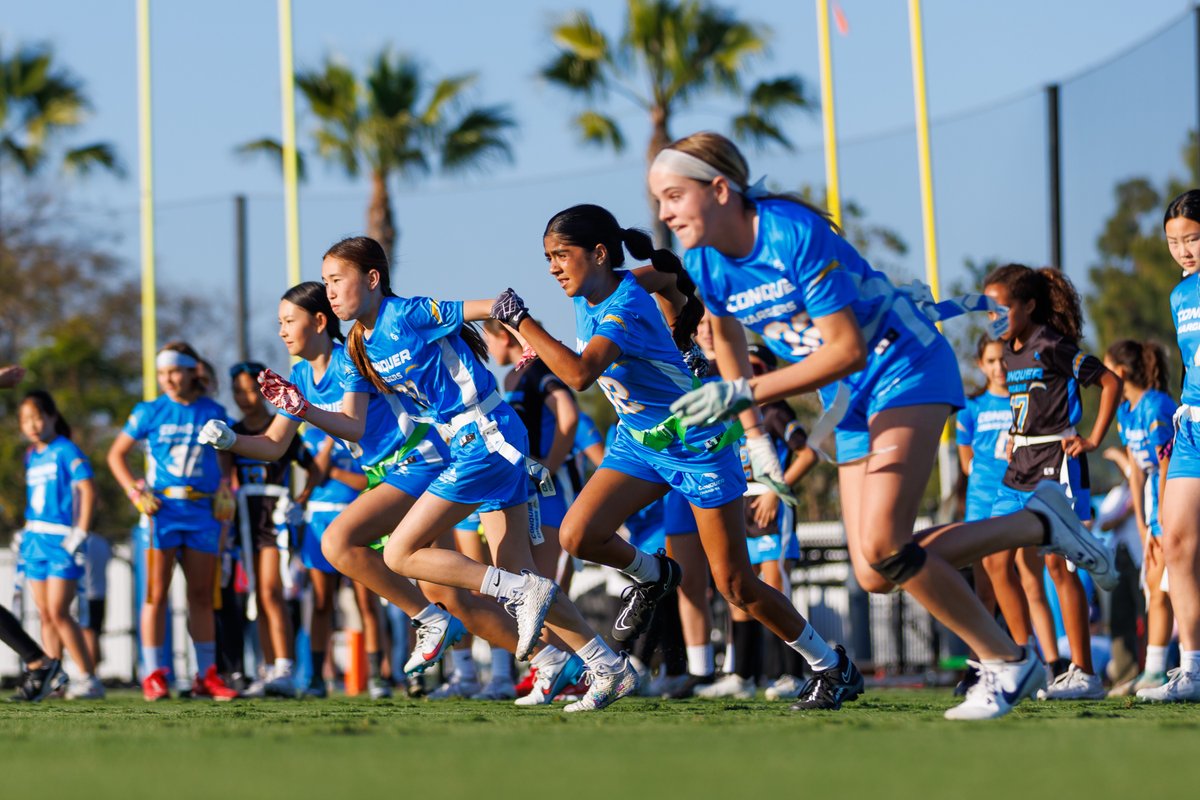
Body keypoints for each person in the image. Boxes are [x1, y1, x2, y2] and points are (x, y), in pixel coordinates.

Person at [648, 132, 1117, 719]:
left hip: (906, 366)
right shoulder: (703, 262)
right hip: (848, 399)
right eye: (659, 199)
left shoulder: (791, 231)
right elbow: (729, 337)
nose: (664, 213)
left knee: (885, 544)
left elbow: (844, 348)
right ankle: (1039, 521)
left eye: (672, 196)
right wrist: (757, 441)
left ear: (719, 189)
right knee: (874, 571)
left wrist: (744, 391)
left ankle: (1007, 661)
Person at [491, 203, 864, 711]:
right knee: (578, 535)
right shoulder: (598, 285)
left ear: (598, 254)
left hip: (698, 446)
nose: (553, 268)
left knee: (736, 584)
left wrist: (523, 323)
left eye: (561, 256)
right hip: (640, 443)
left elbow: (578, 376)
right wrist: (681, 329)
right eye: (547, 258)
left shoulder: (622, 302)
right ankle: (653, 575)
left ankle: (832, 665)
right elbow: (669, 272)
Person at [203, 277, 601, 708]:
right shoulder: (301, 374)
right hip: (396, 471)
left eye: (288, 320)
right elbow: (274, 445)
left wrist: (307, 411)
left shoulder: (352, 357)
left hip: (420, 460)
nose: (280, 330)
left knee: (340, 541)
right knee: (457, 598)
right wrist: (230, 441)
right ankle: (565, 660)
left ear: (319, 322)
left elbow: (352, 425)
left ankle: (434, 623)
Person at [981, 265, 1122, 701]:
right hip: (1017, 465)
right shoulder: (1008, 350)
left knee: (1058, 569)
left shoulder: (1052, 345)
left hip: (1056, 466)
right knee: (997, 561)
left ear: (1028, 306)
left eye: (1002, 308)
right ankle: (1022, 662)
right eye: (988, 311)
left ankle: (1085, 673)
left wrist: (1093, 439)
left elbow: (1109, 381)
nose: (994, 318)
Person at [107, 342, 240, 701]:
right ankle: (153, 674)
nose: (168, 379)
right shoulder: (149, 411)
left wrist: (227, 490)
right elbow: (116, 454)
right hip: (161, 511)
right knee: (155, 595)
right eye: (162, 373)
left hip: (202, 512)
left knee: (201, 595)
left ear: (191, 371)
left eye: (174, 372)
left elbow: (226, 456)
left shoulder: (212, 410)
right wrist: (134, 492)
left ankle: (206, 675)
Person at [226, 359, 317, 698]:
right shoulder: (233, 429)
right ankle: (268, 667)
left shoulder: (281, 428)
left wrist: (301, 501)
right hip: (245, 521)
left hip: (273, 519)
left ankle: (285, 665)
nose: (244, 396)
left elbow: (313, 468)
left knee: (270, 592)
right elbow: (225, 476)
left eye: (251, 389)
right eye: (238, 390)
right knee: (256, 597)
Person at [1140, 190, 1200, 702]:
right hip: (1191, 430)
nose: (1184, 249)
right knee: (1176, 545)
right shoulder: (1180, 295)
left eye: (1194, 238)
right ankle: (1192, 670)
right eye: (1174, 242)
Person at [17, 390, 104, 699]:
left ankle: (89, 677)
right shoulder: (32, 455)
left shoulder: (66, 450)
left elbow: (88, 488)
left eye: (38, 417)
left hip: (61, 541)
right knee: (45, 613)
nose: (33, 425)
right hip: (35, 542)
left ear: (52, 416)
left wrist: (80, 531)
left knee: (59, 611)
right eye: (26, 420)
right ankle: (53, 677)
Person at [1105, 339, 1177, 694]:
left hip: (1175, 502)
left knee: (1166, 589)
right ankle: (1154, 671)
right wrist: (1143, 523)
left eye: (1106, 369)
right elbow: (1136, 470)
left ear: (1120, 372)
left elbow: (1166, 465)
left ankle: (1158, 669)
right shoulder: (1125, 412)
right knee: (1155, 588)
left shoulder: (1157, 406)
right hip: (1153, 508)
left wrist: (1163, 520)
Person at [79, 532, 111, 674]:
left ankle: (89, 673)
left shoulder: (81, 542)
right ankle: (93, 672)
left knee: (89, 632)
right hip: (100, 593)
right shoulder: (102, 542)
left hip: (86, 594)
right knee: (95, 633)